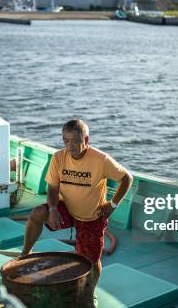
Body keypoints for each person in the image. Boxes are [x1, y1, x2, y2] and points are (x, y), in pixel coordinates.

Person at [21, 119, 133, 295]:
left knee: (91, 260)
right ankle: (25, 254)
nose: (70, 146)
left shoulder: (101, 159)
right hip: (67, 209)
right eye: (66, 140)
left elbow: (127, 178)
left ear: (86, 140)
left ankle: (90, 294)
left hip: (92, 216)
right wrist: (53, 209)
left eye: (75, 141)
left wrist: (113, 204)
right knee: (37, 213)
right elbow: (52, 187)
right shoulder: (58, 157)